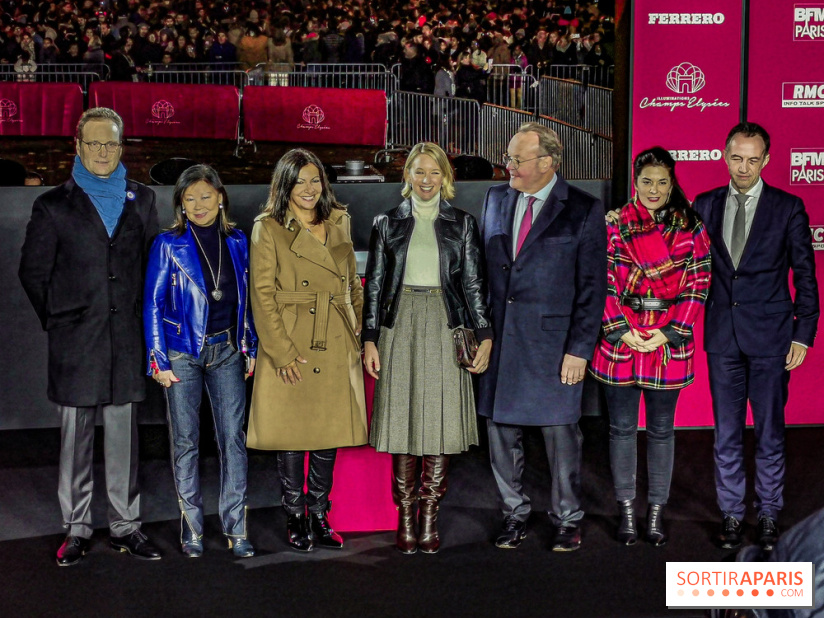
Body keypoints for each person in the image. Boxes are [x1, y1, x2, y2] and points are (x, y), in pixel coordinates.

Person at [18, 107, 161, 566]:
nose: (103, 152)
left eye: (112, 144)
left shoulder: (144, 198)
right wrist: (63, 319)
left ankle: (125, 526)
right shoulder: (53, 205)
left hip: (126, 339)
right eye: (94, 143)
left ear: (122, 148)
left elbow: (151, 268)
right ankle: (76, 528)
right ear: (77, 147)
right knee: (75, 437)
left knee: (124, 438)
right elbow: (33, 272)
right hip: (76, 340)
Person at [478, 122, 607, 552]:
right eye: (510, 157)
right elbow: (483, 273)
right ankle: (514, 515)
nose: (508, 165)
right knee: (501, 434)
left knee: (562, 440)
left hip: (555, 348)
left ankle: (567, 519)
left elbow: (593, 289)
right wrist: (482, 334)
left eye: (517, 158)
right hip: (502, 342)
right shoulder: (495, 199)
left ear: (547, 162)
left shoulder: (584, 209)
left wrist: (579, 349)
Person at [693, 123, 819, 552]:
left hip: (772, 338)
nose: (743, 167)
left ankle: (767, 513)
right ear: (724, 156)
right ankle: (731, 513)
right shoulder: (704, 204)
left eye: (752, 159)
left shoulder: (788, 207)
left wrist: (803, 335)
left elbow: (805, 275)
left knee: (769, 432)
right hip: (721, 338)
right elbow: (689, 268)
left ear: (766, 161)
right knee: (725, 432)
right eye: (736, 157)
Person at [362, 142, 493, 555]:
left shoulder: (463, 224)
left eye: (434, 172)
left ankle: (430, 516)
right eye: (419, 171)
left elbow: (473, 285)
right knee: (401, 421)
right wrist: (369, 337)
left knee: (439, 422)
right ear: (407, 176)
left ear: (446, 178)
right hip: (398, 325)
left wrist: (484, 333)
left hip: (444, 322)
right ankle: (405, 516)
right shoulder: (386, 223)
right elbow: (376, 286)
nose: (426, 180)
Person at [589, 147, 711, 546]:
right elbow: (600, 279)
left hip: (667, 339)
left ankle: (655, 511)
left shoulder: (690, 226)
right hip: (621, 337)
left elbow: (698, 283)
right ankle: (626, 511)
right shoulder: (615, 225)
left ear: (672, 182)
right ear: (635, 183)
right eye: (646, 181)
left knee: (661, 431)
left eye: (662, 182)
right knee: (621, 429)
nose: (654, 189)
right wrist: (619, 328)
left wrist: (670, 331)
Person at [248, 149, 367, 552]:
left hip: (334, 336)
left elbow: (352, 281)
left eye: (315, 180)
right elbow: (262, 295)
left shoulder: (339, 220)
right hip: (293, 337)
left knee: (326, 430)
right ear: (284, 185)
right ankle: (295, 515)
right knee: (293, 432)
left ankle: (319, 512)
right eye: (299, 181)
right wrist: (280, 352)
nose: (309, 189)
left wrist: (356, 326)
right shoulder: (269, 227)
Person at [144, 165, 257, 559]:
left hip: (227, 349)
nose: (198, 205)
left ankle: (236, 528)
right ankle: (191, 528)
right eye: (189, 198)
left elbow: (249, 300)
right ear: (180, 203)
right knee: (186, 442)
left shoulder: (239, 240)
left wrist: (251, 346)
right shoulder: (168, 243)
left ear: (220, 197)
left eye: (205, 196)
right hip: (181, 353)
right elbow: (152, 303)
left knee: (233, 440)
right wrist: (158, 359)